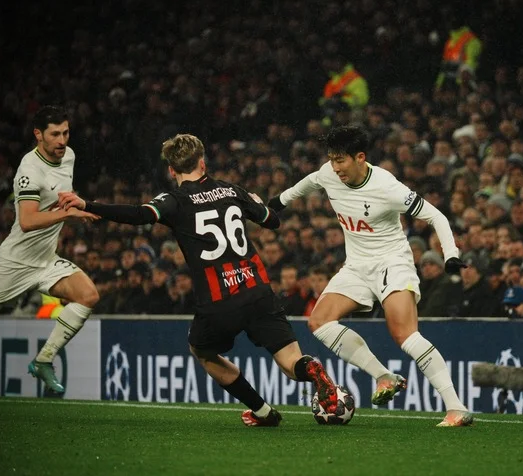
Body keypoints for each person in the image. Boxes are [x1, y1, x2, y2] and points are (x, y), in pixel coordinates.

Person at [58, 134, 338, 427]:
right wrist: (256, 203)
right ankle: (311, 368)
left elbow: (139, 215)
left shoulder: (174, 200)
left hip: (220, 301)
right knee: (290, 361)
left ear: (171, 170)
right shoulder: (231, 189)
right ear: (203, 163)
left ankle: (263, 411)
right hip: (258, 291)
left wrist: (89, 204)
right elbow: (272, 221)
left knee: (201, 350)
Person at [268, 125, 473, 427]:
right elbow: (306, 184)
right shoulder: (328, 174)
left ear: (360, 157)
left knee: (404, 335)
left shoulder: (387, 187)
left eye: (341, 161)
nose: (335, 168)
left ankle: (456, 407)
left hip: (393, 263)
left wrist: (451, 254)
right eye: (332, 160)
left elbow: (436, 216)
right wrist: (276, 204)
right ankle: (384, 377)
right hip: (356, 266)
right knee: (319, 322)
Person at [0, 106, 101, 396]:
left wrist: (79, 204)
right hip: (15, 262)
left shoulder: (69, 156)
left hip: (45, 260)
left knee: (88, 295)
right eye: (55, 134)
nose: (62, 140)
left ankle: (43, 360)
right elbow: (27, 221)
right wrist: (69, 215)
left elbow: (62, 194)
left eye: (65, 132)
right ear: (38, 135)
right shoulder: (29, 170)